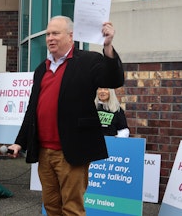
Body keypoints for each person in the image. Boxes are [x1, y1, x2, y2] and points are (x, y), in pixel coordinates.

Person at [7, 15, 124, 216]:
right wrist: (20, 142)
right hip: (45, 152)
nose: (50, 38)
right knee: (51, 206)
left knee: (72, 208)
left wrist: (108, 46)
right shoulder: (41, 69)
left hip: (71, 151)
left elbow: (114, 79)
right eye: (48, 34)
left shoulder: (88, 60)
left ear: (70, 36)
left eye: (56, 33)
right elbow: (33, 109)